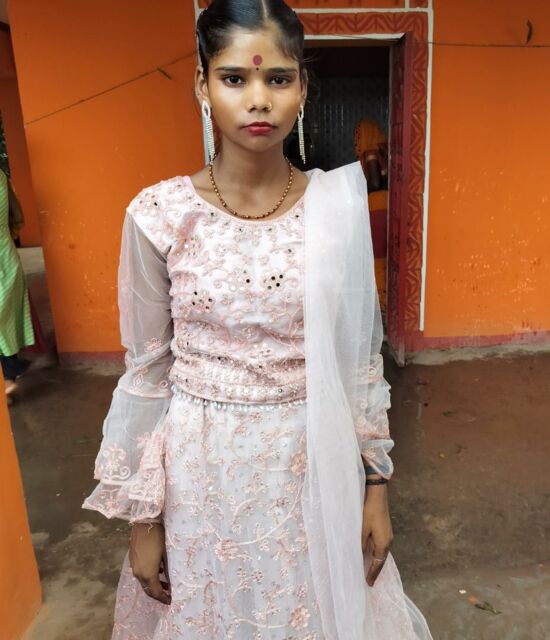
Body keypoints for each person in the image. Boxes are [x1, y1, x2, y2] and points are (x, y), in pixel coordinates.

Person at [82, 1, 434, 638]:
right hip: (202, 476)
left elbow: (359, 362)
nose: (258, 100)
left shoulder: (337, 209)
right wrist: (144, 519)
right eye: (234, 78)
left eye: (277, 78)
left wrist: (376, 486)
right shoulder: (160, 216)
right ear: (202, 86)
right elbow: (148, 373)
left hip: (313, 463)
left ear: (303, 87)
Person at [0, 168, 34, 401]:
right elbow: (17, 216)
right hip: (7, 257)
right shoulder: (1, 176)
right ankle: (9, 376)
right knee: (7, 319)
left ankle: (8, 377)